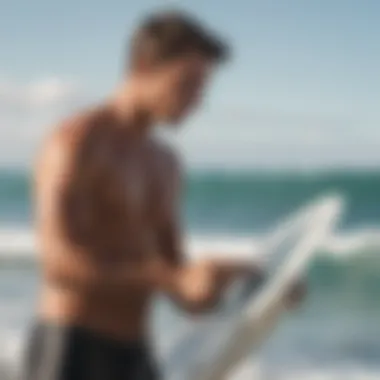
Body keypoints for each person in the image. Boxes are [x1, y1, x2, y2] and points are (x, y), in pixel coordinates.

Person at [24, 10, 305, 380]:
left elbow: (185, 293)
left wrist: (258, 291)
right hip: (70, 349)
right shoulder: (77, 143)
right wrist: (171, 278)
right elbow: (58, 264)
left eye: (202, 89)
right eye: (187, 83)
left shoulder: (166, 164)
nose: (196, 101)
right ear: (143, 67)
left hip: (135, 354)